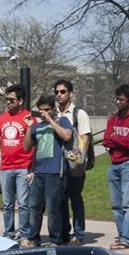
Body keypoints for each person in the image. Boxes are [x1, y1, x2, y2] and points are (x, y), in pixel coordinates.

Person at [23, 96, 72, 247]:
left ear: (53, 109)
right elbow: (26, 147)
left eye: (47, 110)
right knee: (35, 206)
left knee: (53, 208)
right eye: (41, 110)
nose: (43, 113)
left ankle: (56, 239)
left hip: (55, 172)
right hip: (39, 172)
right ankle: (33, 237)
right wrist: (30, 127)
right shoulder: (37, 126)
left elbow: (67, 136)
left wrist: (51, 120)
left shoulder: (61, 120)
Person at [0, 84, 34, 242]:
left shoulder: (28, 118)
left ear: (20, 101)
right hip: (6, 167)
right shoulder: (2, 118)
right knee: (7, 204)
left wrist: (32, 168)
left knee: (23, 203)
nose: (8, 103)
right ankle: (8, 233)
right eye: (6, 99)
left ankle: (24, 234)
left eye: (11, 100)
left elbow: (33, 144)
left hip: (23, 166)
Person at [103, 84, 129, 250]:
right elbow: (106, 139)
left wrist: (115, 138)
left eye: (121, 99)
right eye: (117, 99)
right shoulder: (113, 119)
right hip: (114, 165)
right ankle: (122, 236)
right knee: (116, 204)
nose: (117, 102)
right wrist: (115, 139)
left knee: (128, 203)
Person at [54, 79, 92, 245]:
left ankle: (79, 234)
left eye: (63, 92)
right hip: (57, 164)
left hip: (74, 163)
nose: (59, 95)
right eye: (57, 92)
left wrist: (80, 158)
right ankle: (64, 232)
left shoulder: (79, 114)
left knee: (75, 199)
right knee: (60, 199)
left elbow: (85, 137)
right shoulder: (53, 114)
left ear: (70, 93)